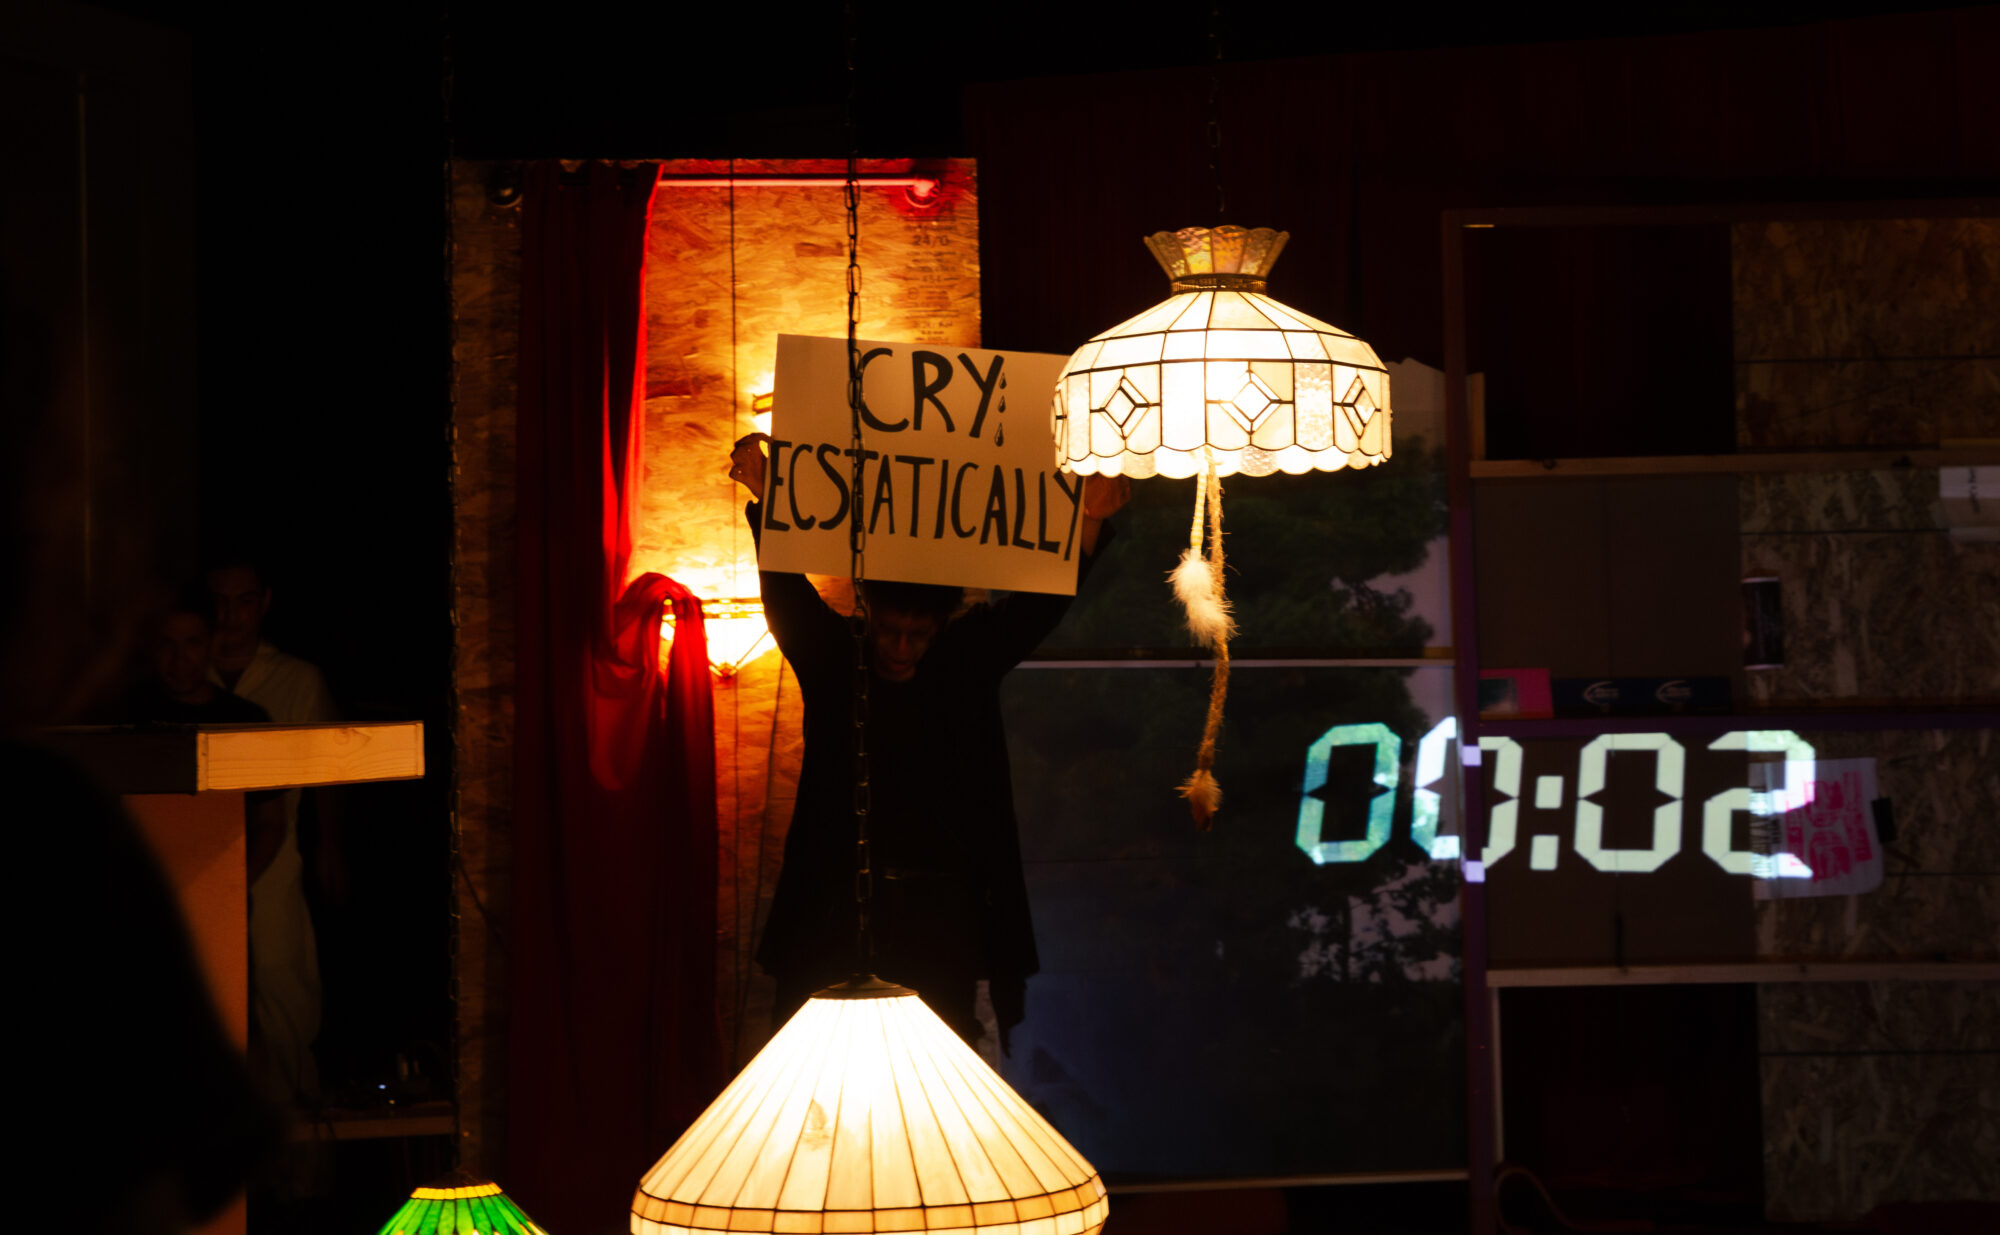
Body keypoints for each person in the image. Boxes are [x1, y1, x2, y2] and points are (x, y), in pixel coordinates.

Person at [729, 434, 1129, 1048]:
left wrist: (1089, 522)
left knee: (937, 1067)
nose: (899, 648)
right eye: (889, 631)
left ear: (940, 628)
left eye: (917, 635)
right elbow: (786, 595)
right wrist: (766, 497)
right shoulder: (837, 659)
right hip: (833, 914)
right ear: (867, 610)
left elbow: (1040, 608)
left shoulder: (963, 662)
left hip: (940, 920)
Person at [205, 557, 338, 1192]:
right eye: (219, 603)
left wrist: (333, 846)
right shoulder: (186, 672)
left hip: (275, 864)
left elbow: (328, 772)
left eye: (242, 603)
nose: (229, 617)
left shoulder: (295, 680)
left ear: (263, 604)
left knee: (284, 994)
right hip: (206, 863)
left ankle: (300, 1169)